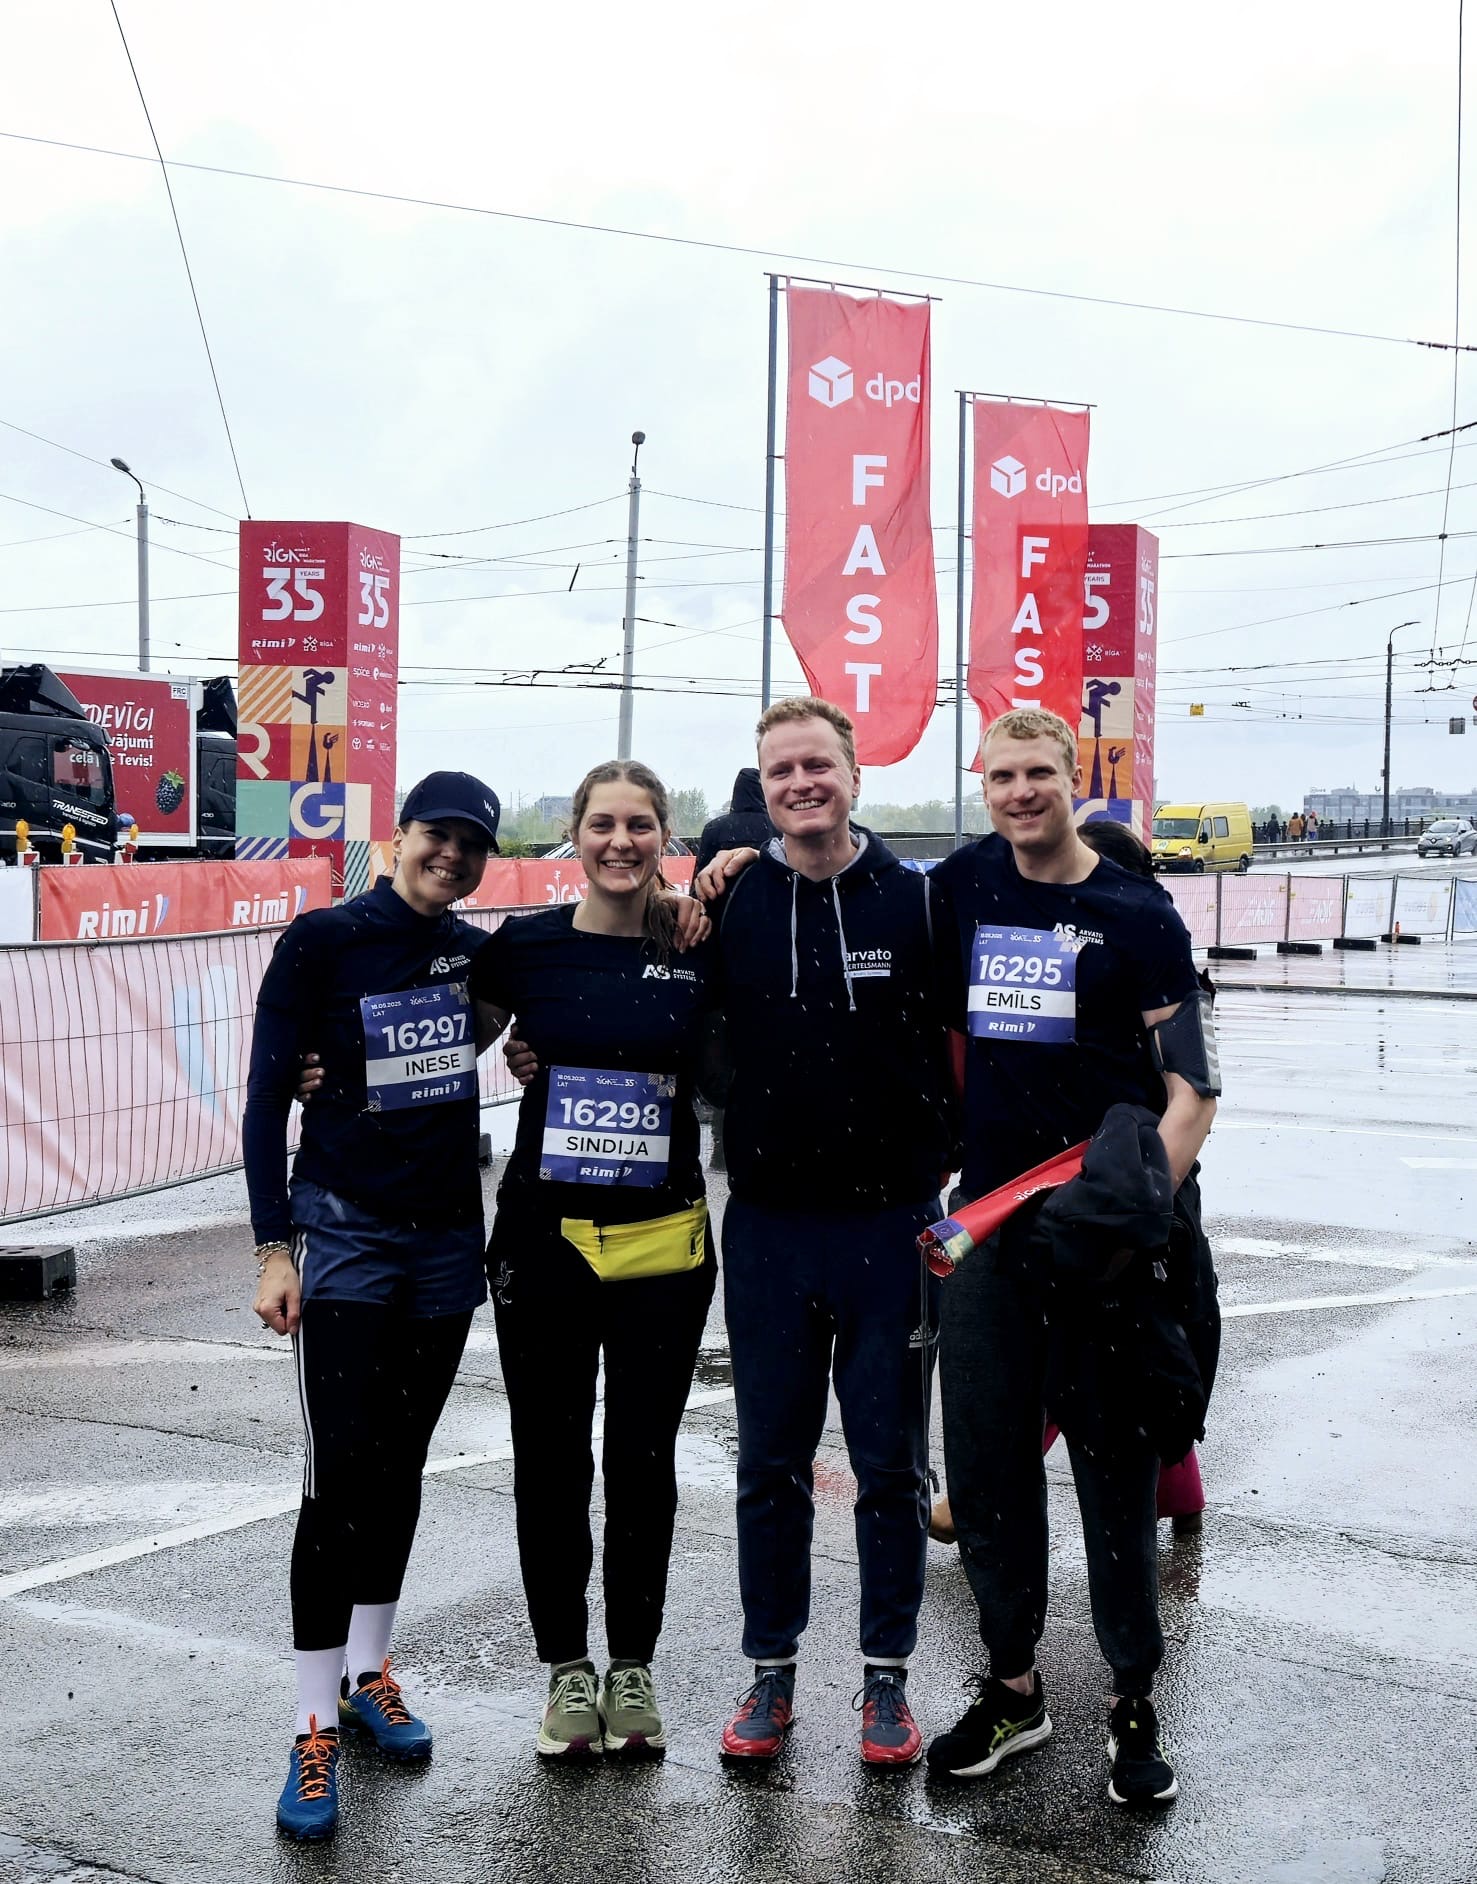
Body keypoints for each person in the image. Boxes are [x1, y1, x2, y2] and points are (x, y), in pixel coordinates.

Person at [924, 710, 1219, 1809]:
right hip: (991, 1230)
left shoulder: (1136, 911)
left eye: (1037, 773)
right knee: (988, 1471)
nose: (1019, 792)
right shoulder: (959, 887)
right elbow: (843, 884)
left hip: (1104, 1240)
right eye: (1000, 776)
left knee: (1114, 1472)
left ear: (1071, 778)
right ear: (984, 787)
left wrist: (1134, 1209)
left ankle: (1131, 1697)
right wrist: (731, 864)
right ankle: (1012, 1689)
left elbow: (1191, 1090)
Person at [244, 771, 503, 1843]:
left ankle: (367, 1674)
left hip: (445, 1243)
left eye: (473, 845)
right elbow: (266, 1094)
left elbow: (572, 967)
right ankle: (311, 1724)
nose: (452, 855)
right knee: (338, 1477)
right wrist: (272, 1247)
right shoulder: (322, 940)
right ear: (398, 839)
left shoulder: (481, 954)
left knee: (399, 1466)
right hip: (343, 1235)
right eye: (437, 835)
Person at [697, 697, 954, 1768]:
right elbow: (659, 1008)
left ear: (854, 775)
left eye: (817, 765)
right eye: (780, 771)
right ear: (760, 790)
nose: (800, 784)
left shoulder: (920, 901)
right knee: (770, 1465)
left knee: (889, 1469)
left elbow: (970, 1037)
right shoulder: (729, 899)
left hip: (890, 1229)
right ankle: (772, 1670)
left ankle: (885, 1678)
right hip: (767, 1227)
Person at [470, 760, 718, 1763]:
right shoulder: (524, 946)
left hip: (664, 1243)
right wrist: (318, 1062)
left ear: (666, 837)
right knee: (551, 1458)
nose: (621, 842)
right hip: (546, 1243)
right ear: (573, 834)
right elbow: (439, 1040)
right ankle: (567, 1669)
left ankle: (633, 1665)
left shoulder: (696, 943)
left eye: (641, 826)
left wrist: (725, 876)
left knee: (643, 1462)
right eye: (603, 824)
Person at [926, 814, 1209, 1548]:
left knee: (1117, 1365)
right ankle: (1176, 1489)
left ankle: (1161, 1491)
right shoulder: (991, 907)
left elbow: (1194, 1089)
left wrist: (1138, 1197)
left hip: (1121, 1190)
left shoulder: (1145, 935)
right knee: (1117, 1362)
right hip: (1026, 1191)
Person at [693, 768, 774, 1171]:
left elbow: (699, 885)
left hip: (721, 945)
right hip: (766, 946)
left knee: (722, 1041)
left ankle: (724, 1140)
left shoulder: (715, 828)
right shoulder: (775, 828)